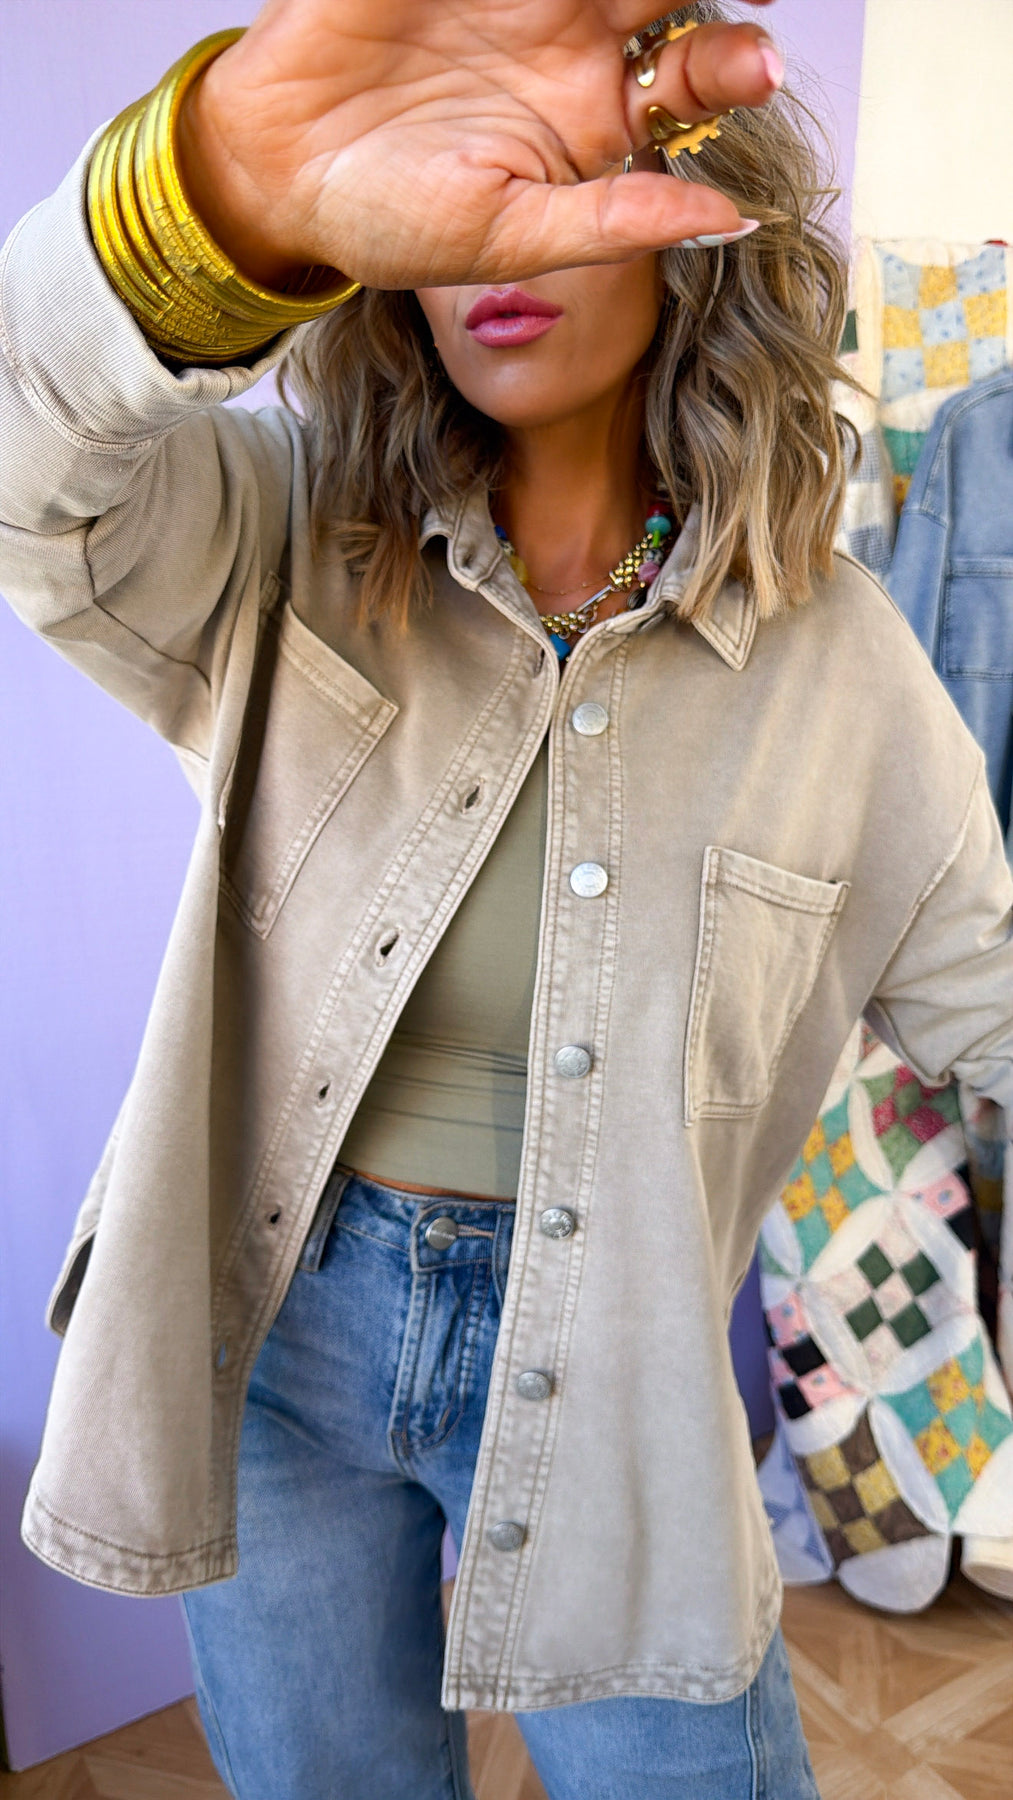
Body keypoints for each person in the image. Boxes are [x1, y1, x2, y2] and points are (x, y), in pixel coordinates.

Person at [2, 3, 1010, 1797]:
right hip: (277, 1327)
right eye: (453, 198)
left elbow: (989, 999)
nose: (493, 248)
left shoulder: (844, 669)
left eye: (552, 183)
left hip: (614, 1370)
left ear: (690, 227)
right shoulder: (280, 532)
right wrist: (219, 184)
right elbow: (28, 455)